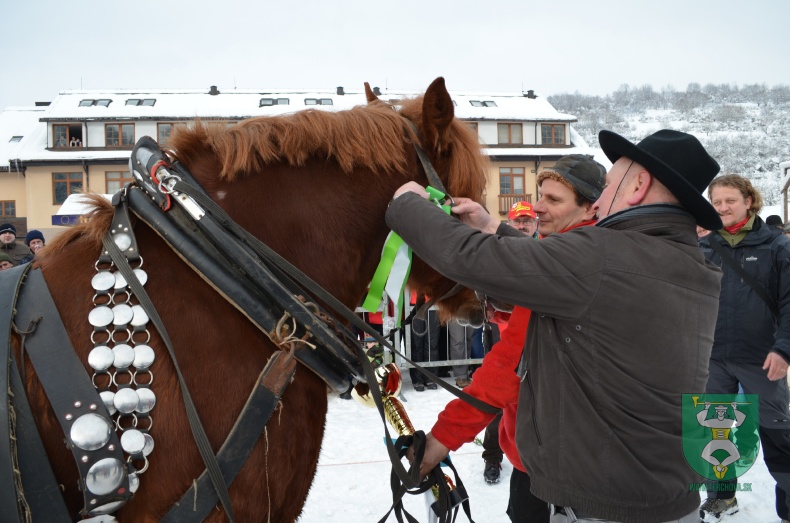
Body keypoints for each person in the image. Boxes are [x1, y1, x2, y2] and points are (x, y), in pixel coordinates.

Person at [387, 129, 723, 523]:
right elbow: (574, 268)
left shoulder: (600, 255)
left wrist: (407, 204)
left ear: (638, 185)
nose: (600, 202)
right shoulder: (693, 266)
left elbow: (476, 259)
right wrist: (495, 228)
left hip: (600, 503)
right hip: (668, 495)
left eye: (609, 185)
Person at [402, 153, 607, 522]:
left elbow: (505, 370)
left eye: (553, 200)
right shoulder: (586, 246)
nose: (540, 208)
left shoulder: (571, 264)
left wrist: (441, 440)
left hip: (558, 465)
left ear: (591, 206)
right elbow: (537, 258)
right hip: (549, 450)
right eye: (540, 195)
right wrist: (490, 226)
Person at [698, 174, 790, 521]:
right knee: (712, 431)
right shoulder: (704, 248)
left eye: (730, 201)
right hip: (713, 358)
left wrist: (784, 349)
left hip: (763, 358)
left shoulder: (776, 246)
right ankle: (721, 497)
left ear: (748, 201)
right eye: (716, 202)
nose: (722, 208)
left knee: (777, 431)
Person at [409, 292, 441, 392]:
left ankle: (431, 377)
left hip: (433, 304)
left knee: (432, 344)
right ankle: (417, 379)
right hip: (415, 304)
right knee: (417, 344)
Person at [447, 320, 473, 388]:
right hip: (455, 312)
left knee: (468, 339)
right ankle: (460, 376)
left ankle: (464, 374)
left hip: (470, 311)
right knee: (458, 340)